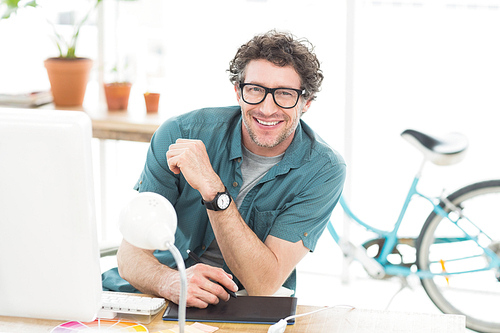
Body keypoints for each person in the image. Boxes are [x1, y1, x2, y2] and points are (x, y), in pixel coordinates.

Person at [102, 30, 346, 309]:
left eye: (284, 94)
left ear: (307, 102)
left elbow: (263, 285)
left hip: (246, 306)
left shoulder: (323, 169)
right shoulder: (180, 133)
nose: (267, 108)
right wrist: (170, 282)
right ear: (238, 92)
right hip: (156, 293)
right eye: (255, 89)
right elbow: (130, 256)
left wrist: (214, 190)